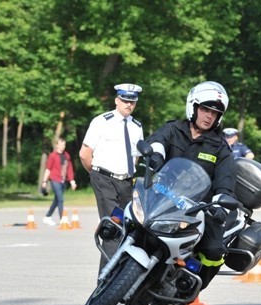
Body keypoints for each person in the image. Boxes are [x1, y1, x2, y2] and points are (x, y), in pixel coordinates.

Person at [146, 81, 236, 291]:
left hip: (198, 209)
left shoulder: (220, 147)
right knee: (128, 218)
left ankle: (190, 285)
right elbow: (157, 141)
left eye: (214, 113)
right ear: (193, 107)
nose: (209, 116)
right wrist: (156, 156)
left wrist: (221, 204)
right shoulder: (173, 129)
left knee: (214, 249)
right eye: (205, 109)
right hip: (162, 196)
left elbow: (225, 180)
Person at [79, 83, 144, 267]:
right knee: (113, 227)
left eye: (132, 102)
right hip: (104, 179)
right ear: (117, 100)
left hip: (126, 182)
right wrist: (96, 175)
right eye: (124, 100)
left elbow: (136, 157)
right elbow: (85, 154)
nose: (128, 105)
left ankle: (120, 280)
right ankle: (105, 281)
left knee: (128, 229)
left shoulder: (136, 126)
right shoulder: (101, 121)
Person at [41, 138, 77, 226]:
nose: (63, 147)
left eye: (64, 145)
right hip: (54, 179)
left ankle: (47, 217)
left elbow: (69, 168)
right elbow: (48, 169)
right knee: (60, 199)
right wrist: (44, 181)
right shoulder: (53, 155)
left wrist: (72, 181)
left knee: (57, 200)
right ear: (57, 145)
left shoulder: (66, 155)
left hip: (63, 181)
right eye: (61, 145)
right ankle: (62, 219)